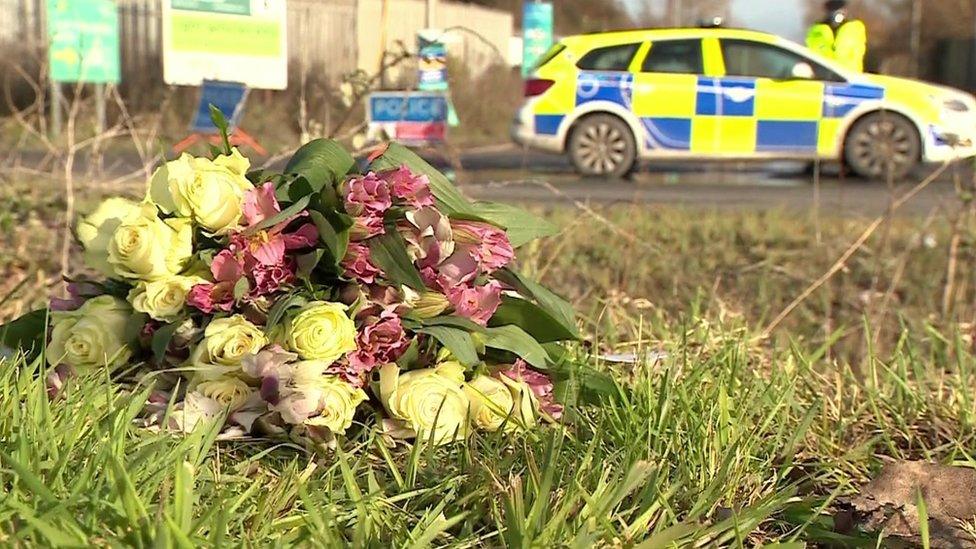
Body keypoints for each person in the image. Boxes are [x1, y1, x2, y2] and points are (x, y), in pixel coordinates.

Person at [806, 0, 867, 72]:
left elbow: (858, 52)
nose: (837, 13)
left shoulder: (854, 28)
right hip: (824, 75)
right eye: (833, 10)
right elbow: (812, 55)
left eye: (841, 9)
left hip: (850, 75)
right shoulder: (817, 31)